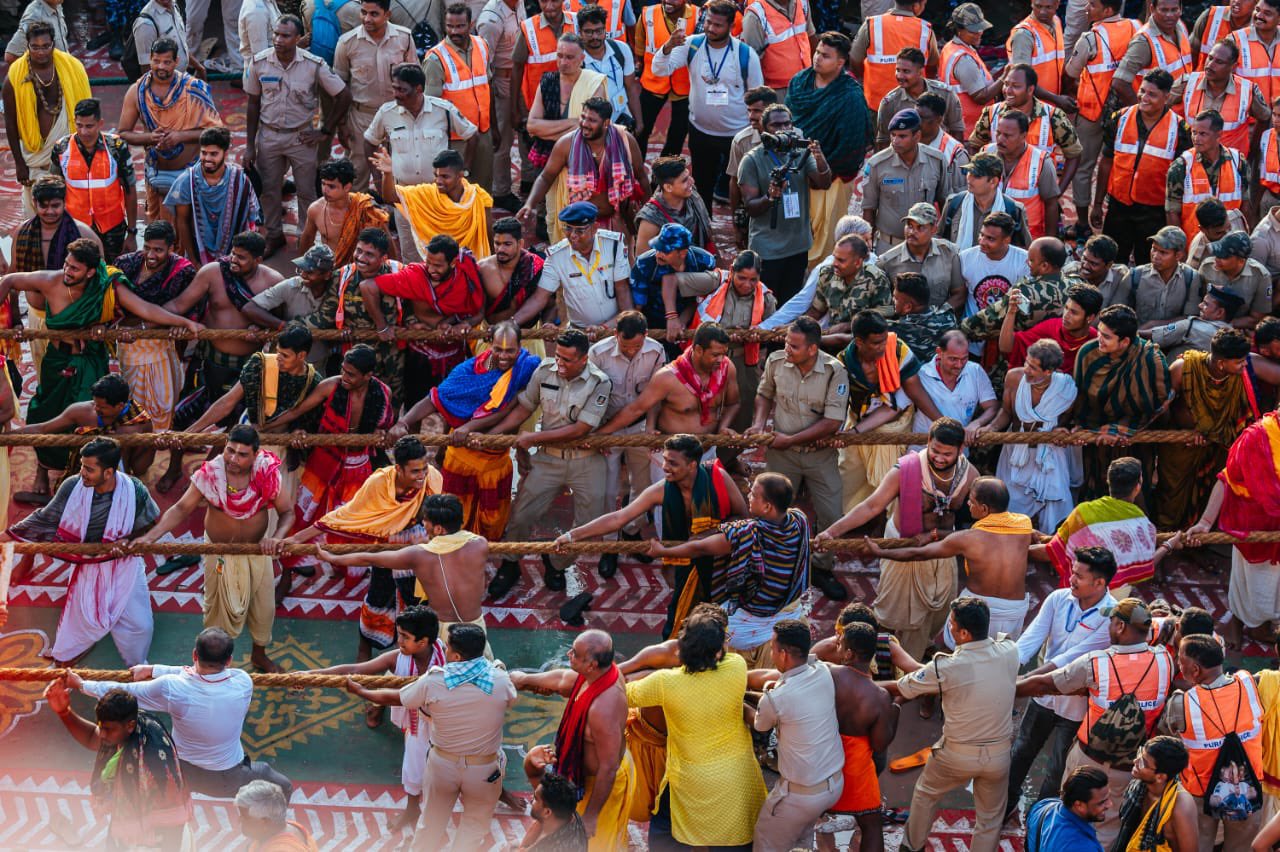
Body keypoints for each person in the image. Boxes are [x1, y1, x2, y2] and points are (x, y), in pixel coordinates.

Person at [0, 238, 193, 496]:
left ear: (91, 272)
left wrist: (186, 323)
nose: (67, 272)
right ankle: (42, 472)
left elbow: (146, 309)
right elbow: (9, 280)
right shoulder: (50, 280)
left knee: (88, 420)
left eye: (75, 269)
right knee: (43, 411)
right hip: (57, 360)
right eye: (67, 265)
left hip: (91, 360)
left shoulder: (106, 286)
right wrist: (12, 318)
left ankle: (80, 475)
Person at [556, 434, 746, 638]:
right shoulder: (661, 490)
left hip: (724, 564)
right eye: (664, 459)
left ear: (692, 465)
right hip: (686, 566)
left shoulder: (718, 477)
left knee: (725, 623)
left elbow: (743, 517)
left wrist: (708, 535)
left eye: (672, 463)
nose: (664, 467)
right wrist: (571, 536)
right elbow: (619, 518)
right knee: (680, 624)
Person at [818, 417, 978, 659]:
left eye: (947, 453)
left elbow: (982, 519)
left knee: (939, 612)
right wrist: (831, 532)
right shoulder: (905, 470)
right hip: (902, 545)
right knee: (890, 615)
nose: (940, 458)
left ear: (960, 450)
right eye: (935, 451)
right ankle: (876, 657)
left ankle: (915, 649)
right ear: (927, 442)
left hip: (942, 550)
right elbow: (871, 506)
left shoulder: (970, 474)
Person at [1017, 597, 1172, 846]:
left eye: (1111, 621)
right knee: (1108, 830)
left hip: (1087, 761)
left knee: (1066, 821)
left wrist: (1007, 688)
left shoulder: (1097, 663)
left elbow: (1046, 683)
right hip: (1129, 768)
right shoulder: (1165, 661)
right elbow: (1169, 626)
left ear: (1120, 627)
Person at [137, 426, 293, 672]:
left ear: (255, 455)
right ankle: (215, 662)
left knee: (263, 608)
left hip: (256, 552)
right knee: (216, 611)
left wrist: (276, 537)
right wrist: (151, 536)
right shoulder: (210, 473)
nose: (233, 458)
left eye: (242, 454)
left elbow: (287, 512)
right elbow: (180, 509)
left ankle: (259, 656)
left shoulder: (267, 472)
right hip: (218, 553)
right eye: (230, 450)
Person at [348, 623, 517, 851]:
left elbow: (398, 697)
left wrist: (362, 692)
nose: (444, 652)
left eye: (447, 648)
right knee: (474, 827)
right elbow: (510, 697)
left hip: (443, 766)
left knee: (430, 824)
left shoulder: (434, 682)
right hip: (484, 770)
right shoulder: (500, 680)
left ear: (456, 655)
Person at [69, 627, 292, 799]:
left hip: (177, 772)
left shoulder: (172, 688)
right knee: (282, 785)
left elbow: (126, 691)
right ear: (229, 661)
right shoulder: (243, 681)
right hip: (228, 778)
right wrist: (153, 670)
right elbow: (199, 674)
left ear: (195, 654)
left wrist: (82, 684)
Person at [2, 437, 157, 666]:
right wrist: (5, 537)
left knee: (141, 625)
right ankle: (67, 654)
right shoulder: (73, 486)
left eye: (89, 469)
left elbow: (150, 524)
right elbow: (45, 518)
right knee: (80, 617)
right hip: (89, 563)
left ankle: (137, 666)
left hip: (125, 565)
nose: (82, 472)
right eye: (82, 466)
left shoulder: (135, 490)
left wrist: (128, 540)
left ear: (108, 473)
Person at [883, 597, 1020, 852]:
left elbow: (904, 686)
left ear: (964, 633)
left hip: (956, 754)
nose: (950, 628)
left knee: (925, 794)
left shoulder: (947, 666)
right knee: (989, 819)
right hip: (999, 755)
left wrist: (854, 682)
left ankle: (912, 847)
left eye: (953, 624)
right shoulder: (1010, 651)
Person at [625, 607, 767, 850]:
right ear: (719, 649)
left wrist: (650, 669)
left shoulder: (664, 683)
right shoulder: (736, 667)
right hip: (737, 778)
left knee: (664, 831)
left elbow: (623, 691)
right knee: (736, 837)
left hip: (690, 781)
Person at [488, 328, 613, 599]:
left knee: (589, 524)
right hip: (548, 459)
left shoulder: (599, 382)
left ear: (583, 359)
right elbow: (525, 407)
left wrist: (532, 437)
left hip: (586, 462)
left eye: (567, 360)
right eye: (558, 356)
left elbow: (581, 429)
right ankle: (509, 565)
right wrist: (495, 434)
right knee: (521, 515)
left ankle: (556, 563)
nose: (560, 364)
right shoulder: (544, 371)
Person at [393, 323, 540, 541]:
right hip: (461, 457)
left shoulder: (525, 368)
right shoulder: (468, 370)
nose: (503, 356)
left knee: (492, 522)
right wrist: (404, 422)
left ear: (520, 347)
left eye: (510, 351)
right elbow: (434, 398)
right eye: (498, 349)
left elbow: (510, 410)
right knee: (452, 518)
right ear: (490, 344)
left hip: (495, 458)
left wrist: (472, 430)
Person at [161, 233, 285, 488]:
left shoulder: (274, 282)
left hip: (247, 370)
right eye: (232, 253)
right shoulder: (212, 273)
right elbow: (179, 304)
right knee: (182, 418)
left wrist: (266, 330)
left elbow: (284, 326)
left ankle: (207, 472)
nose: (233, 260)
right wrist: (148, 321)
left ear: (259, 260)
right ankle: (174, 469)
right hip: (209, 365)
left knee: (234, 429)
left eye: (241, 257)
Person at [648, 472, 811, 665]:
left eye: (753, 494)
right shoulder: (800, 521)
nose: (748, 496)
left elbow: (700, 548)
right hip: (789, 613)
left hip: (743, 626)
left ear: (767, 506)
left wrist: (663, 551)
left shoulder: (747, 533)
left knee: (704, 628)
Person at [1006, 547, 1119, 822]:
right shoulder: (1058, 598)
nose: (1071, 578)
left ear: (1099, 583)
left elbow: (1070, 661)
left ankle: (1039, 821)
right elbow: (1030, 640)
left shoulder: (1112, 616)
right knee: (1020, 752)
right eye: (1072, 572)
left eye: (1078, 575)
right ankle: (1004, 806)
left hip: (1076, 706)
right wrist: (1005, 666)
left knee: (1058, 769)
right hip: (1042, 697)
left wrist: (1022, 683)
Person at [288, 436, 441, 639]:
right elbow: (348, 514)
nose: (422, 475)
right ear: (398, 469)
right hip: (385, 544)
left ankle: (412, 651)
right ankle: (366, 646)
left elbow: (436, 518)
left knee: (416, 600)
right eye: (415, 471)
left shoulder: (433, 477)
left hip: (417, 543)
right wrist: (298, 538)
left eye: (424, 469)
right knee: (378, 597)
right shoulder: (378, 483)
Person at [747, 317, 848, 599]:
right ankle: (770, 566)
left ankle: (822, 568)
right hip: (782, 456)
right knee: (770, 511)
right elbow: (764, 394)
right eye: (787, 343)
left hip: (820, 456)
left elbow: (831, 422)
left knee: (831, 515)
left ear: (813, 349)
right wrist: (758, 423)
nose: (786, 348)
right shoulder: (776, 361)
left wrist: (789, 439)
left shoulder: (834, 371)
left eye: (794, 345)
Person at [865, 476, 1034, 645]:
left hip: (978, 610)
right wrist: (936, 533)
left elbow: (920, 554)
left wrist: (882, 552)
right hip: (1015, 611)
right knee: (1002, 657)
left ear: (983, 509)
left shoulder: (968, 539)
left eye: (971, 501)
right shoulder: (1024, 526)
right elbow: (1035, 538)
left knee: (958, 654)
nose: (968, 504)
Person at [511, 630, 632, 849]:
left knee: (593, 845)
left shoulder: (604, 707)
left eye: (574, 654)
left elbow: (609, 767)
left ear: (591, 665)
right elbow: (564, 680)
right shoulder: (594, 675)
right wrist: (525, 679)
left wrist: (591, 816)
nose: (569, 654)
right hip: (577, 780)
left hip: (598, 786)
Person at [244, 15, 350, 258]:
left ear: (299, 38)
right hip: (269, 136)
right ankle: (273, 235)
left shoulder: (314, 65)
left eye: (286, 35)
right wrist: (250, 146)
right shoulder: (259, 63)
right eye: (276, 34)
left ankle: (307, 239)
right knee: (269, 190)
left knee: (307, 192)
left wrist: (324, 130)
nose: (278, 40)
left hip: (301, 137)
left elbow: (343, 96)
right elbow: (252, 104)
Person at [42, 683, 191, 849]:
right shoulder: (127, 727)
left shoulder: (154, 755)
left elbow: (173, 814)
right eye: (101, 727)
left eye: (108, 729)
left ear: (130, 726)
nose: (102, 735)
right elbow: (93, 737)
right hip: (130, 816)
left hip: (162, 830)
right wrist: (64, 712)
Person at [743, 620, 844, 852]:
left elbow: (760, 723)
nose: (771, 652)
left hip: (801, 795)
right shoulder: (822, 671)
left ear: (784, 654)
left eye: (772, 648)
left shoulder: (776, 699)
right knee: (801, 837)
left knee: (766, 842)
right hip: (834, 784)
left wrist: (736, 699)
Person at [651, 0, 762, 210]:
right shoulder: (692, 44)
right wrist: (668, 46)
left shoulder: (746, 54)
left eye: (718, 25)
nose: (711, 28)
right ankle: (704, 231)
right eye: (709, 22)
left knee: (742, 188)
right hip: (701, 131)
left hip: (737, 135)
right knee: (702, 187)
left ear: (731, 27)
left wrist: (755, 135)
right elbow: (659, 70)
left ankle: (742, 230)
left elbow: (757, 97)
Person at [1160, 634, 1265, 847]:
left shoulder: (1182, 703)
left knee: (1200, 844)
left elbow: (1169, 732)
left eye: (1181, 661)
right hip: (1246, 789)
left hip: (1200, 794)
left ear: (1196, 670)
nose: (1179, 666)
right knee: (1241, 847)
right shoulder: (1248, 683)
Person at [363, 64, 476, 263]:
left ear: (418, 89)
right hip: (404, 195)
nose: (396, 94)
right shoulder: (386, 112)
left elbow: (471, 136)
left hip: (439, 195)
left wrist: (462, 174)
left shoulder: (444, 110)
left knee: (443, 248)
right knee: (410, 252)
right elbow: (369, 141)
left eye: (402, 89)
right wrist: (378, 178)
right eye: (394, 88)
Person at [1189, 412, 1280, 648]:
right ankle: (1253, 626)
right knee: (1258, 585)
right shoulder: (1257, 437)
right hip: (1254, 527)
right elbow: (1227, 478)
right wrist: (1205, 522)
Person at [1155, 329, 1258, 529]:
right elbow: (1163, 408)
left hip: (1217, 446)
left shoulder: (1241, 377)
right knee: (1170, 493)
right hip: (1179, 446)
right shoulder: (1183, 368)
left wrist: (1211, 434)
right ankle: (1167, 539)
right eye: (1239, 362)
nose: (1245, 365)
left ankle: (1201, 541)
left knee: (1212, 490)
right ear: (1221, 364)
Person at [1, 175, 100, 380]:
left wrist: (95, 322)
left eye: (56, 205)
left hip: (75, 322)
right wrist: (17, 321)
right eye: (43, 206)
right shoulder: (23, 233)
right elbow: (12, 278)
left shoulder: (84, 234)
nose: (50, 211)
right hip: (37, 318)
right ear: (34, 203)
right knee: (45, 378)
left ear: (65, 202)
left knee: (76, 382)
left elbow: (101, 283)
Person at [587, 312, 666, 565]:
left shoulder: (656, 351)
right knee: (608, 490)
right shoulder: (598, 353)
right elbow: (589, 395)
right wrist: (598, 433)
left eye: (637, 346)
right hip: (607, 427)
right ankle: (610, 544)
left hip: (640, 426)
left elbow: (656, 394)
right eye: (626, 345)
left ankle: (631, 531)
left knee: (642, 486)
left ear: (646, 337)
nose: (632, 351)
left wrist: (651, 427)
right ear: (615, 335)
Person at [117, 37, 223, 224]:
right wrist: (150, 137)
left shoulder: (193, 88)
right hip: (156, 174)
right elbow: (124, 133)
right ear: (150, 59)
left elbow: (219, 133)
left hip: (190, 174)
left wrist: (180, 137)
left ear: (177, 62)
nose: (161, 67)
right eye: (156, 61)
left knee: (191, 230)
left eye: (167, 62)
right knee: (159, 235)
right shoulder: (137, 91)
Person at [787, 32, 871, 266]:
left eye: (825, 56)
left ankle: (818, 278)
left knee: (825, 236)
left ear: (840, 62)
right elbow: (788, 123)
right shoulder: (799, 82)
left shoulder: (850, 95)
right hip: (797, 169)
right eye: (817, 52)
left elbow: (852, 144)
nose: (817, 58)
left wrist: (824, 171)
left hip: (833, 177)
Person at [1072, 304, 1173, 497]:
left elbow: (1159, 405)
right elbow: (1081, 398)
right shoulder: (1088, 354)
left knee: (1136, 493)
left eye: (1107, 336)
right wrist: (1080, 426)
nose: (1099, 339)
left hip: (1137, 441)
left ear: (1125, 341)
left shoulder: (1150, 359)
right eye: (1099, 332)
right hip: (1096, 439)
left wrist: (1123, 427)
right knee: (1096, 490)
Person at [516, 97, 646, 246]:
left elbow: (641, 176)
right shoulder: (566, 144)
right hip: (580, 226)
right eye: (583, 117)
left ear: (606, 123)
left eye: (592, 120)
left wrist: (647, 213)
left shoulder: (625, 141)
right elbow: (546, 177)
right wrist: (530, 203)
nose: (584, 124)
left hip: (617, 221)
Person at [737, 104, 833, 301]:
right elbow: (751, 207)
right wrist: (770, 197)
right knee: (767, 302)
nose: (783, 129)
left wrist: (820, 158)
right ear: (764, 129)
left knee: (791, 301)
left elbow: (824, 183)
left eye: (787, 123)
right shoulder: (751, 160)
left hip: (798, 245)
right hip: (768, 249)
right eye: (776, 125)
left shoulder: (799, 152)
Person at [1092, 71, 1189, 265]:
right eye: (1142, 91)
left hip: (1154, 211)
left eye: (1152, 94)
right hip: (1119, 207)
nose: (1144, 98)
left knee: (1148, 264)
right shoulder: (1119, 118)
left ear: (1166, 97)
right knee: (1112, 262)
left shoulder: (1180, 129)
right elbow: (1106, 161)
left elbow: (1182, 179)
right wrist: (1097, 204)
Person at [301, 228, 404, 405]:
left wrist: (413, 327)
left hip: (392, 358)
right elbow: (326, 316)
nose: (361, 258)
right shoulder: (342, 277)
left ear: (383, 258)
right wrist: (283, 325)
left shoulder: (399, 273)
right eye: (359, 251)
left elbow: (411, 311)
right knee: (354, 404)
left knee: (391, 404)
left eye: (369, 254)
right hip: (354, 359)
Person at [985, 338, 1078, 532]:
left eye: (1033, 367)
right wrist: (991, 428)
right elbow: (1006, 413)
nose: (1026, 369)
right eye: (1026, 362)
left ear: (1048, 372)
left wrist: (1061, 430)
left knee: (1053, 512)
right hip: (1015, 453)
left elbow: (1066, 419)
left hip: (1049, 457)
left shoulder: (1066, 387)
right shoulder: (1013, 377)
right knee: (1012, 509)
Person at [112, 221, 198, 430]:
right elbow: (111, 304)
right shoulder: (125, 264)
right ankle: (137, 440)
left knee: (162, 400)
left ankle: (158, 439)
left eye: (158, 250)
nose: (151, 255)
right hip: (127, 344)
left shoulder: (182, 272)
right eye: (147, 248)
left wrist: (179, 326)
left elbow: (183, 309)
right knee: (132, 398)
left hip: (159, 345)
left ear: (172, 248)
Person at [2, 23, 91, 217]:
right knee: (35, 223)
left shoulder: (72, 69)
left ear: (53, 44)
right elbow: (10, 123)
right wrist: (19, 164)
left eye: (45, 46)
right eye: (35, 47)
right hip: (35, 163)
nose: (41, 51)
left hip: (68, 159)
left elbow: (87, 116)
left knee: (73, 222)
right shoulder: (14, 78)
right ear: (27, 46)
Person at [332, 0, 416, 193]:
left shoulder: (404, 38)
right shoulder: (347, 42)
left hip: (398, 116)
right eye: (363, 13)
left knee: (402, 174)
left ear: (387, 14)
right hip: (362, 118)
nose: (366, 19)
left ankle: (397, 220)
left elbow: (414, 79)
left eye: (374, 14)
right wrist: (342, 124)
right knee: (356, 174)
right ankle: (357, 219)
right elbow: (339, 87)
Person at [13, 374, 155, 487]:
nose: (96, 409)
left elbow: (140, 469)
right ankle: (43, 469)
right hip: (80, 461)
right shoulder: (81, 411)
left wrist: (150, 445)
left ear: (119, 406)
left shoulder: (139, 424)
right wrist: (7, 436)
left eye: (102, 407)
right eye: (95, 403)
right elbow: (42, 428)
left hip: (119, 471)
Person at [511, 202, 634, 329]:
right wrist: (512, 322)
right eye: (568, 229)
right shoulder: (556, 256)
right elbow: (539, 298)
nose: (573, 235)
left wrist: (622, 325)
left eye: (580, 230)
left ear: (595, 228)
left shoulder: (613, 244)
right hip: (579, 332)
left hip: (614, 327)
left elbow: (623, 290)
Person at [967, 64, 1082, 199]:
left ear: (1030, 90)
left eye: (1015, 86)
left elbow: (1074, 153)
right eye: (1006, 84)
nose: (1007, 91)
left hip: (1036, 201)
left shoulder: (1053, 117)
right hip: (995, 200)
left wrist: (1056, 192)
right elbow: (974, 145)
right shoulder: (991, 113)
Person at [961, 235, 1071, 372]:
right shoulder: (1076, 284)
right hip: (1062, 361)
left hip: (1022, 360)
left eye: (1031, 260)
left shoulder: (1025, 291)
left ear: (1044, 266)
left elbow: (989, 321)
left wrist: (960, 330)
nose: (1027, 262)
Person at [49, 98, 135, 264]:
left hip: (112, 229)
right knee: (77, 273)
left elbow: (130, 190)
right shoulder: (61, 148)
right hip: (75, 227)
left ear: (100, 123)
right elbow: (53, 190)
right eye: (79, 125)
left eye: (89, 126)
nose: (84, 132)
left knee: (113, 275)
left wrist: (131, 233)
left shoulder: (117, 147)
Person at [165, 126, 261, 266]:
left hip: (233, 258)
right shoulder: (187, 180)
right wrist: (193, 260)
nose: (207, 159)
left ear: (225, 153)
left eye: (214, 154)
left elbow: (250, 220)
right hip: (198, 253)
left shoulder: (240, 180)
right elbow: (182, 222)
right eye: (204, 153)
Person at [423, 4, 495, 192]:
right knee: (456, 192)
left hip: (483, 132)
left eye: (460, 26)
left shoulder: (482, 45)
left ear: (471, 24)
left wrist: (493, 127)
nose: (454, 31)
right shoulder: (435, 59)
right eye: (450, 26)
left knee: (483, 190)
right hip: (456, 140)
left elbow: (488, 87)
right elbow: (430, 107)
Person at [862, 108, 948, 256]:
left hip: (925, 248)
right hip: (889, 247)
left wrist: (944, 240)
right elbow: (869, 210)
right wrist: (867, 247)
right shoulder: (877, 164)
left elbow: (945, 203)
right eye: (893, 135)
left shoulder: (936, 160)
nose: (895, 141)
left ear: (917, 136)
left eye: (902, 136)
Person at [242, 249, 336, 368]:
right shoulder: (290, 286)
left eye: (309, 272)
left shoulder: (338, 292)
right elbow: (250, 308)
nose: (303, 275)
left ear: (327, 275)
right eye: (301, 269)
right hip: (280, 360)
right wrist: (283, 326)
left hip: (315, 361)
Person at [1167, 110, 1250, 243]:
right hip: (1194, 245)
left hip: (1230, 245)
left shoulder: (1238, 162)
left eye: (1203, 134)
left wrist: (1245, 238)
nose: (1196, 138)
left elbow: (1245, 205)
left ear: (1219, 135)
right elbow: (1172, 212)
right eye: (1194, 132)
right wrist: (1178, 247)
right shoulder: (1181, 166)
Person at [1183, 39, 1270, 159]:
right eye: (1210, 58)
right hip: (1194, 164)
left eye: (1219, 62)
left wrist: (1252, 151)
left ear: (1233, 67)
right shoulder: (1188, 83)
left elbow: (1264, 118)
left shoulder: (1247, 90)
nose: (1210, 65)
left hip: (1231, 167)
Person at [296, 159, 389, 269]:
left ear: (347, 187)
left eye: (331, 186)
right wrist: (304, 268)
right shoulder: (315, 209)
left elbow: (387, 239)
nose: (325, 190)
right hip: (329, 269)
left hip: (360, 269)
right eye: (323, 184)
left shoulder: (364, 208)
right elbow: (307, 238)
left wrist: (393, 271)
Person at [1111, 736, 1200, 852]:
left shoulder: (1181, 806)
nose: (1135, 761)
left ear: (1160, 777)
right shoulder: (1139, 786)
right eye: (1139, 754)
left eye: (1143, 763)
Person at [849, 0, 938, 113]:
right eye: (924, 4)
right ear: (915, 6)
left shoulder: (872, 24)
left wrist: (863, 79)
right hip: (913, 107)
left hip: (876, 105)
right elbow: (932, 66)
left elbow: (854, 59)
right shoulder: (925, 29)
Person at [633, 0, 697, 157]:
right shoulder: (647, 13)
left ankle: (665, 175)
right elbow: (640, 47)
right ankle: (637, 169)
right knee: (641, 130)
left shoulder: (699, 15)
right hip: (652, 83)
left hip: (684, 86)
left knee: (678, 135)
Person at [986, 107, 1061, 240]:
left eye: (1007, 135)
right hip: (991, 236)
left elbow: (1051, 204)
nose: (1000, 139)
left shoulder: (1041, 162)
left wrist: (1049, 242)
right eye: (998, 133)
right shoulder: (986, 153)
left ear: (1023, 136)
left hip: (1026, 239)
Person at [877, 202, 965, 311]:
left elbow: (959, 294)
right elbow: (881, 305)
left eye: (920, 227)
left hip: (941, 324)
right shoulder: (887, 261)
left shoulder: (949, 253)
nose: (912, 232)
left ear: (934, 229)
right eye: (909, 226)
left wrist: (939, 315)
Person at [999, 282, 1101, 375]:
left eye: (1073, 312)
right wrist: (1011, 312)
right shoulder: (1051, 327)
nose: (1066, 315)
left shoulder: (1096, 344)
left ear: (1090, 318)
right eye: (1066, 308)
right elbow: (1006, 347)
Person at [874, 47, 964, 151]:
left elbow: (957, 132)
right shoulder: (890, 103)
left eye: (906, 71)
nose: (900, 76)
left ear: (920, 71)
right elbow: (883, 143)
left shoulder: (945, 94)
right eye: (897, 70)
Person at [940, 152, 1033, 250]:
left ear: (993, 181)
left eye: (976, 175)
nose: (969, 178)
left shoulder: (1013, 209)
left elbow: (1024, 250)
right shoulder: (954, 203)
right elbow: (940, 240)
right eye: (968, 172)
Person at [913, 330, 998, 437]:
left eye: (964, 358)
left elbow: (992, 407)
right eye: (953, 359)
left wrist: (977, 423)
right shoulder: (921, 375)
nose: (959, 365)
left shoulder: (975, 371)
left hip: (960, 449)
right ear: (939, 352)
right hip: (920, 448)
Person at [1109, 0, 1191, 108]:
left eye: (1174, 10)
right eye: (1164, 10)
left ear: (1180, 9)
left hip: (1181, 114)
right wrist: (1142, 114)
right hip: (1160, 120)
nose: (1169, 15)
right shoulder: (1143, 42)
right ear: (1152, 9)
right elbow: (1119, 83)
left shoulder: (1180, 26)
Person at [577, 3, 640, 140]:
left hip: (623, 120)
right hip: (592, 128)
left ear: (605, 29)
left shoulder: (621, 50)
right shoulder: (576, 60)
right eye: (588, 32)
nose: (595, 36)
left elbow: (631, 88)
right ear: (580, 32)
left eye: (599, 31)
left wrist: (639, 121)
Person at [805, 235, 895, 331]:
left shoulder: (876, 279)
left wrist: (846, 326)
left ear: (857, 263)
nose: (834, 263)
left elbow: (885, 318)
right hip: (832, 336)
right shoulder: (827, 275)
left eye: (841, 260)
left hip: (864, 338)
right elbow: (817, 310)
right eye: (834, 257)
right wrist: (799, 326)